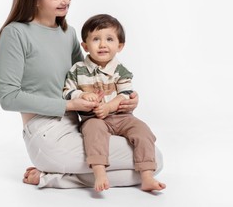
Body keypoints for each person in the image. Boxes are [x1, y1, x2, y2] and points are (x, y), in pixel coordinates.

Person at [0, 0, 164, 189]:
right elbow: (8, 98)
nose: (66, 1)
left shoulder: (68, 33)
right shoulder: (16, 34)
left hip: (80, 126)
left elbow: (86, 83)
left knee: (151, 159)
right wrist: (70, 106)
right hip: (46, 134)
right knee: (151, 160)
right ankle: (51, 177)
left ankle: (55, 177)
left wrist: (122, 101)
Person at [63, 14, 166, 192]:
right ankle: (100, 171)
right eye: (96, 39)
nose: (103, 45)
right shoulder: (77, 70)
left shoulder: (120, 70)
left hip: (122, 117)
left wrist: (110, 106)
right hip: (93, 118)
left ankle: (147, 175)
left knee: (142, 130)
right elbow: (67, 92)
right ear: (85, 46)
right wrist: (81, 95)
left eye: (109, 39)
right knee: (93, 132)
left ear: (119, 46)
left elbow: (126, 93)